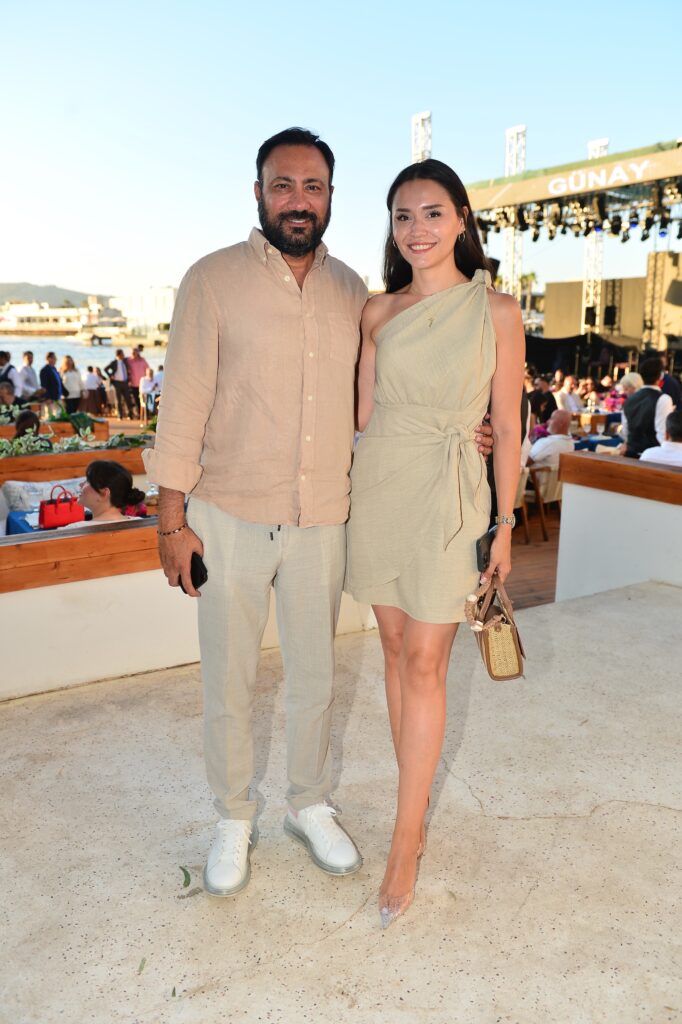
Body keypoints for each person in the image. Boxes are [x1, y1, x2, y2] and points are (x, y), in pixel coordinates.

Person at [143, 126, 496, 901]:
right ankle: (233, 816)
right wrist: (171, 522)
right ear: (259, 193)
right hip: (229, 512)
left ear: (331, 198)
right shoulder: (211, 280)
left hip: (325, 516)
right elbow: (183, 405)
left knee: (314, 677)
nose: (298, 200)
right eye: (283, 185)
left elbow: (388, 397)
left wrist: (476, 425)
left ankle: (308, 802)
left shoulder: (353, 293)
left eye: (313, 187)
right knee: (230, 680)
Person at [345, 158, 524, 929]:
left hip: (452, 498)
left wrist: (506, 523)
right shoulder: (376, 313)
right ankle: (412, 805)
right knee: (392, 650)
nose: (416, 229)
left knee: (426, 660)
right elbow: (361, 416)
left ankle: (405, 837)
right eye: (402, 216)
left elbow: (508, 425)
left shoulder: (497, 311)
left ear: (461, 220)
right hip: (382, 487)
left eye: (431, 213)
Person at [59, 460, 145, 529]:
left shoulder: (72, 530)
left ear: (104, 493)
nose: (80, 484)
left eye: (88, 481)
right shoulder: (142, 524)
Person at [621, 357, 674, 459]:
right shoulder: (664, 399)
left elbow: (626, 432)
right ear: (660, 376)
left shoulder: (629, 400)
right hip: (652, 458)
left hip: (631, 454)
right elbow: (662, 435)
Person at [104, 349, 136, 420]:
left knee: (128, 399)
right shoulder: (114, 362)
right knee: (118, 400)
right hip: (117, 383)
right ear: (119, 355)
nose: (123, 355)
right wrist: (111, 375)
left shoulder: (125, 361)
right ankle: (120, 415)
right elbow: (105, 369)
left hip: (125, 382)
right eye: (122, 354)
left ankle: (130, 415)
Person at [127, 347, 150, 417]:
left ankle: (146, 414)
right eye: (132, 352)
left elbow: (148, 369)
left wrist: (148, 379)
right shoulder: (128, 360)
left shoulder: (142, 360)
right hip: (133, 384)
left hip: (143, 384)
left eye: (135, 352)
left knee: (144, 399)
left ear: (138, 353)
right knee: (136, 399)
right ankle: (140, 414)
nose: (133, 353)